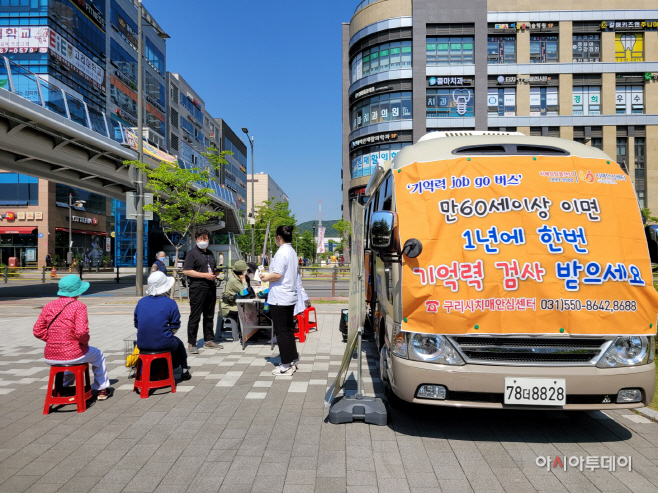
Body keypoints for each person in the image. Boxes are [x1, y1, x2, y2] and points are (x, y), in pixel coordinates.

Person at [33, 275, 110, 400]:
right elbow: (81, 333)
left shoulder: (49, 305)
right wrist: (83, 343)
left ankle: (62, 387)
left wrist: (53, 339)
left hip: (50, 354)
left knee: (69, 361)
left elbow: (37, 331)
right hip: (72, 353)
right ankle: (102, 389)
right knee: (98, 355)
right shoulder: (79, 306)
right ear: (78, 291)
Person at [134, 272, 191, 380]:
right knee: (178, 343)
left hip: (142, 343)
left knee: (168, 342)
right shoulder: (170, 303)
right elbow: (175, 325)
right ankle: (184, 370)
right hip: (163, 343)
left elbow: (136, 323)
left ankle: (153, 370)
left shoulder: (141, 302)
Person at [260, 226, 299, 375]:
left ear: (278, 237)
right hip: (289, 296)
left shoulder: (281, 252)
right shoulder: (291, 251)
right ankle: (291, 358)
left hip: (280, 297)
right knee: (288, 330)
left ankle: (286, 364)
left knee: (282, 331)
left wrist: (264, 277)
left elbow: (277, 275)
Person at [183, 229, 221, 354]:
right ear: (196, 239)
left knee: (209, 315)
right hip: (197, 288)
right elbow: (187, 271)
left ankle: (209, 339)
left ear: (209, 240)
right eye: (200, 239)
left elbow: (211, 268)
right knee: (195, 316)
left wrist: (216, 273)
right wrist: (205, 275)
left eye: (205, 239)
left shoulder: (210, 253)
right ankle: (191, 343)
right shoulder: (192, 254)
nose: (203, 241)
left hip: (211, 286)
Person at [220, 260, 248, 330]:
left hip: (232, 304)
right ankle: (247, 333)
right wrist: (244, 281)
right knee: (249, 310)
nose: (246, 271)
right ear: (241, 272)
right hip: (228, 307)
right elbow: (246, 293)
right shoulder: (234, 280)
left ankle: (250, 331)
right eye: (244, 270)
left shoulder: (236, 278)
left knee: (250, 309)